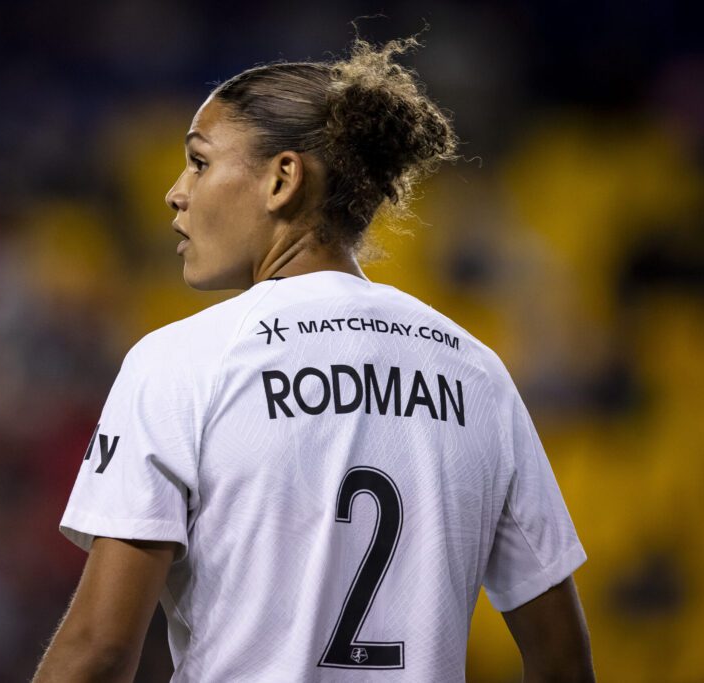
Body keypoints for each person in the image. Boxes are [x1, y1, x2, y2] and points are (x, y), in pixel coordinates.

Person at [33, 36, 594, 683]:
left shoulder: (181, 362)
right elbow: (562, 660)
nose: (175, 192)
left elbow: (100, 649)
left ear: (282, 179)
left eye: (198, 162)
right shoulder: (476, 372)